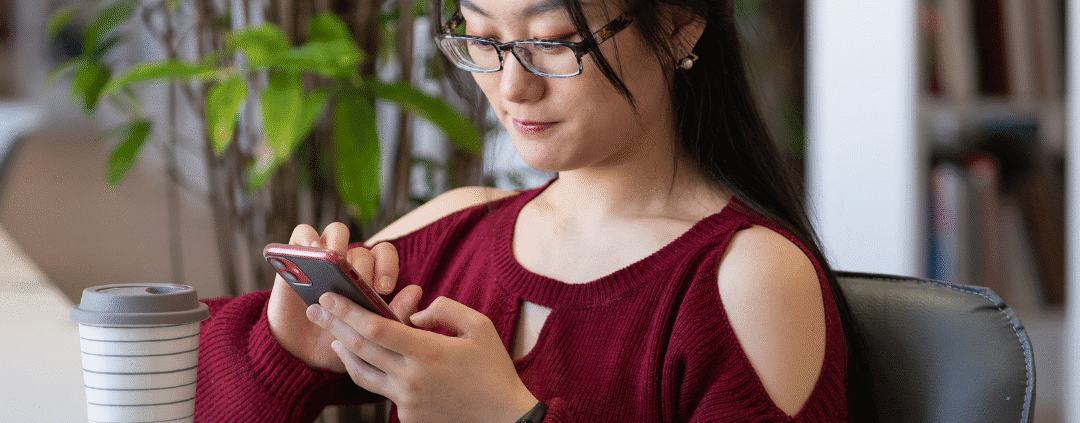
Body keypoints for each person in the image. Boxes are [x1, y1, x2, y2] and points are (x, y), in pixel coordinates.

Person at [194, 0, 862, 421]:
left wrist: (513, 418)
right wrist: (284, 350)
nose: (511, 85)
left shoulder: (749, 280)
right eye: (481, 37)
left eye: (555, 41)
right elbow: (162, 390)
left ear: (681, 19)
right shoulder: (461, 228)